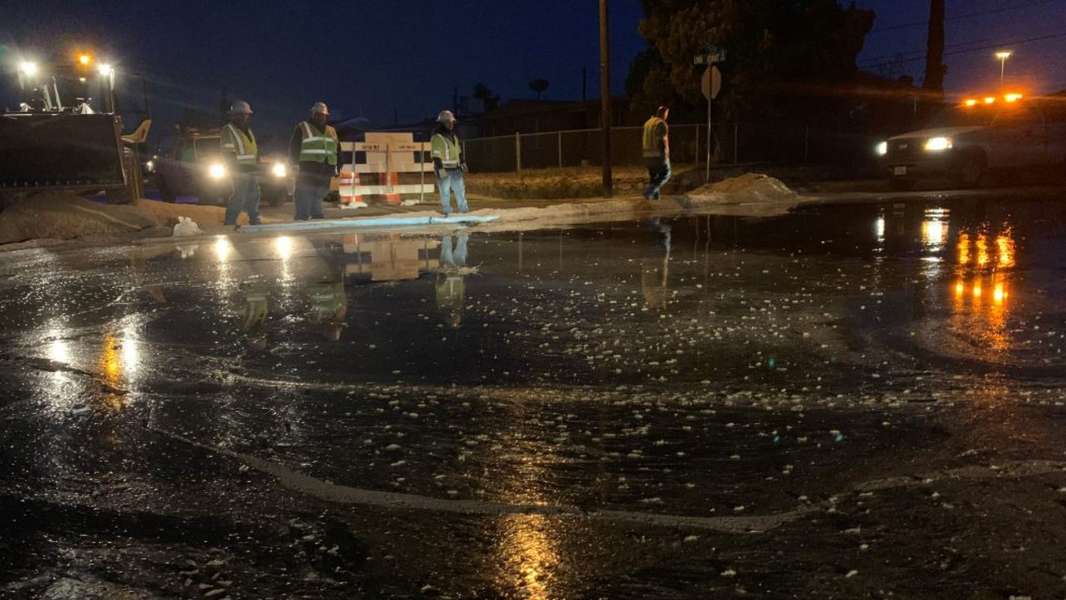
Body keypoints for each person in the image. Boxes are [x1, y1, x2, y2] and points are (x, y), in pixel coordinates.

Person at [289, 102, 340, 221]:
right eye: (318, 114)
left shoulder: (331, 130)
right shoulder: (303, 127)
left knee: (319, 192)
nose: (321, 117)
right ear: (313, 114)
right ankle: (302, 216)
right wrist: (294, 164)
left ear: (326, 116)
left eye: (323, 115)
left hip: (326, 168)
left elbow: (337, 150)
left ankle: (316, 213)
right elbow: (294, 147)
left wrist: (338, 165)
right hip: (308, 167)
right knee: (304, 191)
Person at [220, 100, 262, 226]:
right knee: (240, 196)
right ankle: (230, 222)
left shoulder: (247, 130)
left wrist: (257, 163)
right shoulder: (228, 130)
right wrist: (235, 168)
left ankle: (254, 219)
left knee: (254, 195)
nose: (244, 117)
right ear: (234, 115)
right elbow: (228, 153)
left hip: (251, 169)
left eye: (246, 115)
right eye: (242, 114)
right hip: (239, 170)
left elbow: (253, 149)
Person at [431, 110, 468, 216]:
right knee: (445, 192)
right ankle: (447, 211)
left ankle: (464, 210)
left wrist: (463, 162)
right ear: (442, 123)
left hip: (456, 169)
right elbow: (436, 155)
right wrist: (440, 169)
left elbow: (458, 152)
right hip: (444, 169)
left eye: (452, 122)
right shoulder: (437, 137)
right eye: (448, 122)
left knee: (460, 190)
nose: (451, 124)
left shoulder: (454, 136)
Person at [641, 105, 671, 201]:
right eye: (667, 113)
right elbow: (662, 140)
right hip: (657, 154)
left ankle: (655, 200)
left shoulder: (648, 123)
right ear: (664, 113)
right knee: (666, 173)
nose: (667, 116)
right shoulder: (661, 123)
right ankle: (649, 192)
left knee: (654, 178)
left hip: (647, 153)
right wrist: (665, 154)